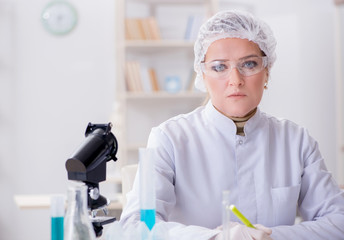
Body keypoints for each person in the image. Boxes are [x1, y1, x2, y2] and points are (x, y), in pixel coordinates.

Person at [119, 10, 344, 240]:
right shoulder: (169, 138)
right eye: (219, 67)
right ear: (202, 75)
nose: (235, 80)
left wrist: (267, 236)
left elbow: (339, 222)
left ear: (267, 72)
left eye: (249, 64)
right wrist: (215, 238)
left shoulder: (295, 141)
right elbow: (139, 225)